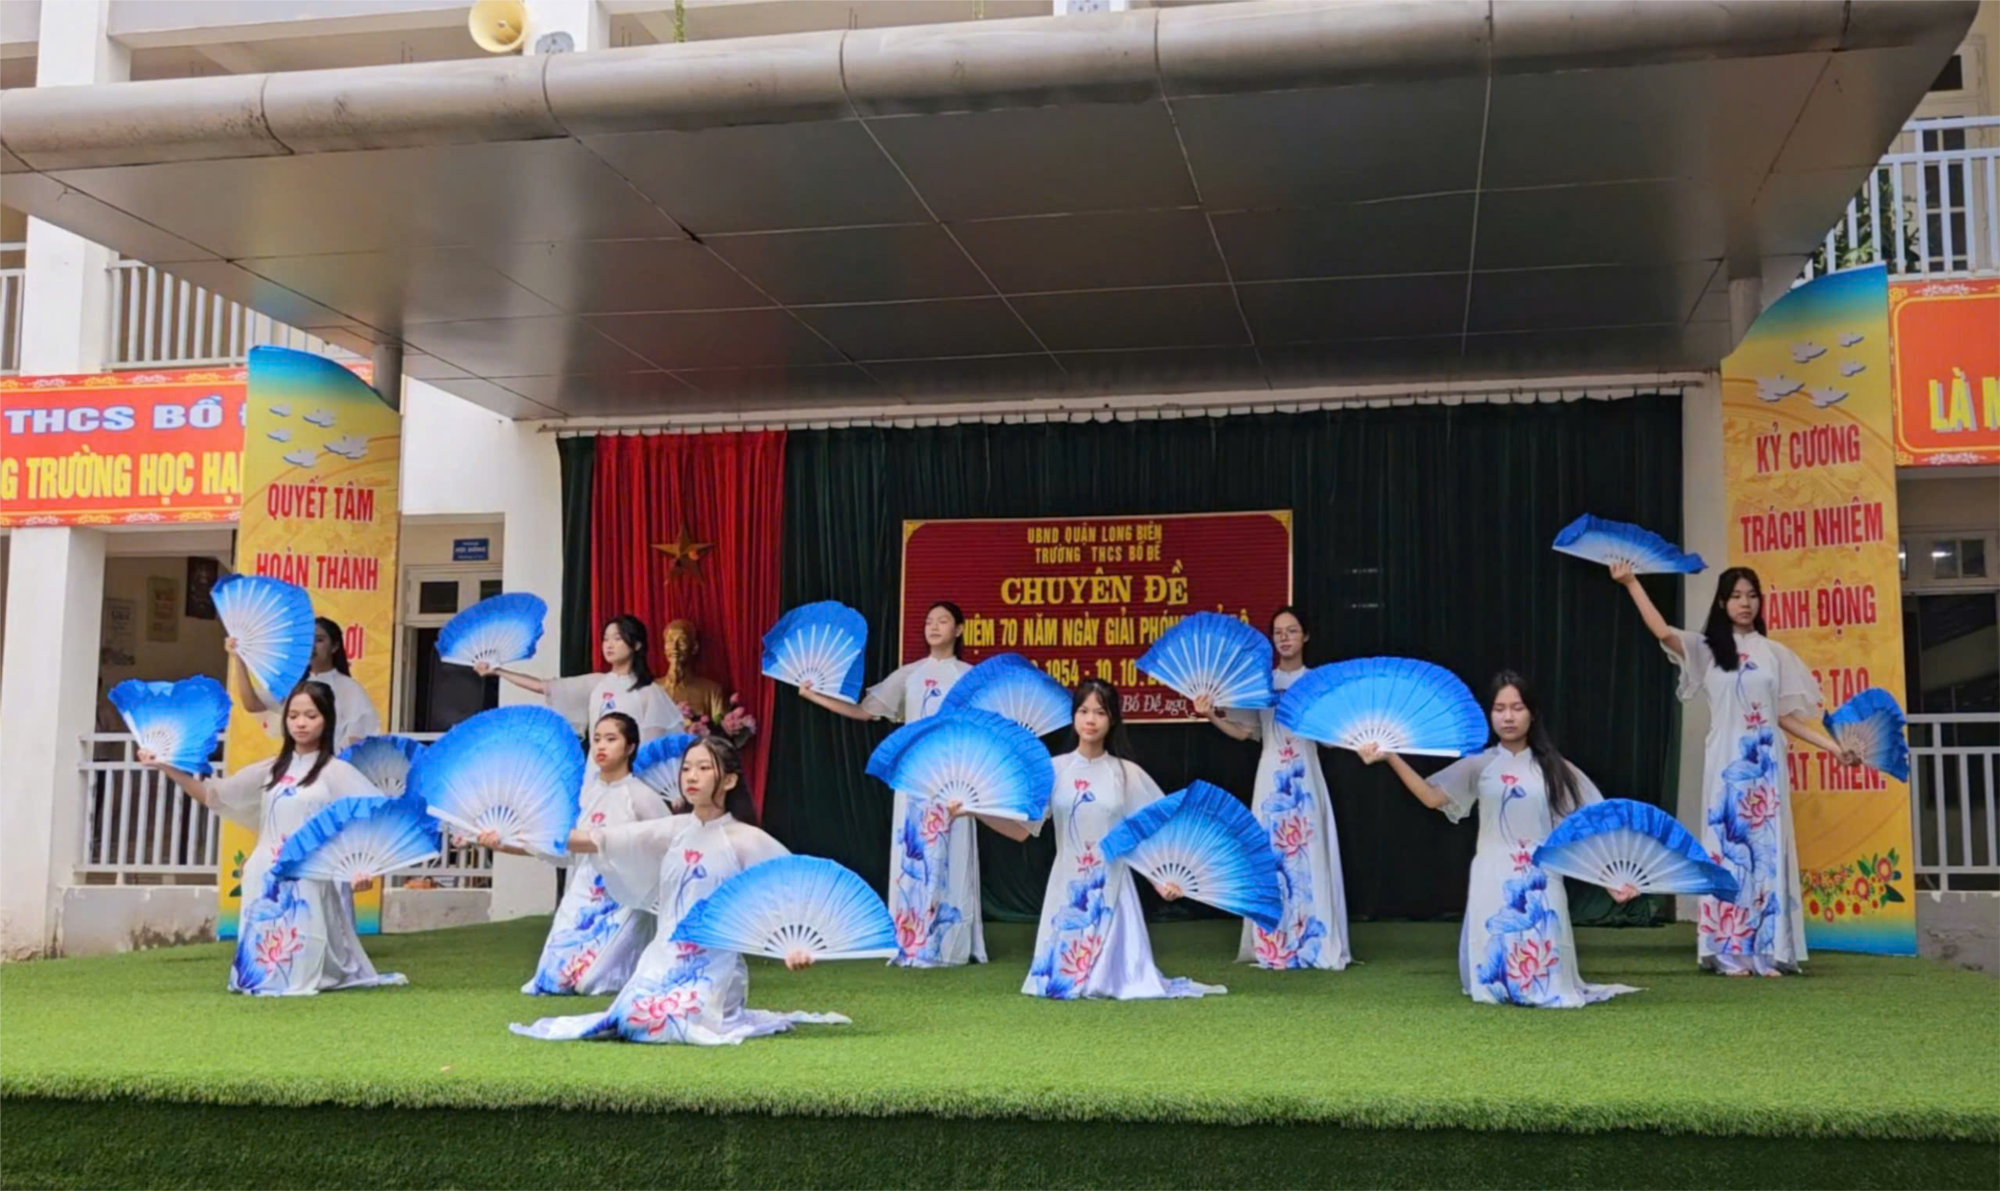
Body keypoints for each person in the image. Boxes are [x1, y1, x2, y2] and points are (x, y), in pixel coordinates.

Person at [510, 737, 849, 1045]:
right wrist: (532, 834)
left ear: (729, 781)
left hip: (715, 967)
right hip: (661, 958)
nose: (691, 777)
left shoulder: (747, 839)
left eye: (703, 768)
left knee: (662, 1023)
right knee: (628, 1019)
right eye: (686, 768)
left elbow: (793, 888)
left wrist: (798, 946)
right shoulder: (674, 830)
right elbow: (599, 840)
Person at [1613, 562, 1858, 976]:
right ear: (1722, 603)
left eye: (1752, 595)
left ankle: (1766, 951)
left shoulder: (1775, 654)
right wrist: (1631, 583)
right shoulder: (1706, 649)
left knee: (1766, 852)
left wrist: (1833, 748)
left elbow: (1784, 717)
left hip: (1765, 765)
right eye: (1737, 596)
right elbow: (1662, 632)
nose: (1746, 603)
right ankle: (1727, 952)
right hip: (1726, 761)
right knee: (1727, 847)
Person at [1361, 671, 1637, 1008]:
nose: (1508, 717)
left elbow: (1587, 825)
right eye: (1499, 708)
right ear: (1490, 714)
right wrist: (1391, 756)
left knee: (1545, 964)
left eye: (1517, 708)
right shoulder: (1480, 764)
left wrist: (1608, 879)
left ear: (1532, 714)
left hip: (1541, 874)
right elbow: (1431, 797)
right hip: (1491, 871)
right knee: (1495, 972)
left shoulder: (1554, 768)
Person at [143, 680, 405, 996]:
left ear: (327, 720)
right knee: (264, 946)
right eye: (293, 716)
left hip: (312, 871)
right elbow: (215, 795)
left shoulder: (337, 772)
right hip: (265, 868)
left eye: (311, 715)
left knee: (307, 946)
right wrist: (166, 766)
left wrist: (365, 867)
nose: (301, 723)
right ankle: (260, 977)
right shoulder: (270, 770)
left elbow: (374, 817)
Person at [981, 678, 1226, 1001]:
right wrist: (975, 811)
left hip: (1113, 881)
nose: (1091, 720)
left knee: (1113, 980)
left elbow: (1153, 833)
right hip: (1066, 881)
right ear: (1074, 716)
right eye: (1083, 711)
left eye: (1100, 712)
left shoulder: (1125, 773)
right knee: (1055, 980)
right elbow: (1022, 830)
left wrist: (1161, 880)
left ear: (1112, 720)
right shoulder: (1054, 770)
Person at [796, 601, 982, 968]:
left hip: (956, 776)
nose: (934, 627)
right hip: (914, 776)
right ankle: (911, 939)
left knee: (955, 849)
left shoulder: (970, 677)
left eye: (943, 621)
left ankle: (951, 944)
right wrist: (813, 695)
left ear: (959, 629)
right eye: (929, 621)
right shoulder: (910, 674)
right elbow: (864, 712)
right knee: (914, 853)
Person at [1197, 606, 1351, 970]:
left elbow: (1330, 738)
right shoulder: (1260, 683)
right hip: (1269, 776)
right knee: (1270, 854)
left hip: (1306, 776)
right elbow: (1245, 732)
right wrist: (1210, 714)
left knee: (1310, 853)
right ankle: (1273, 944)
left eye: (1292, 630)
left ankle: (1314, 941)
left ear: (1305, 636)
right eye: (1278, 632)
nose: (1284, 637)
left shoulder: (1318, 682)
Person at [475, 712, 671, 995]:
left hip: (626, 897)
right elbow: (558, 846)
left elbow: (667, 842)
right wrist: (502, 843)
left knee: (591, 981)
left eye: (611, 739)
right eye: (597, 739)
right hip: (583, 888)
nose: (601, 746)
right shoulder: (582, 795)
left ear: (630, 747)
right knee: (553, 980)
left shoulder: (641, 796)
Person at [480, 614, 683, 743]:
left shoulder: (648, 691)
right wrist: (498, 671)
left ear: (637, 645)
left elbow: (656, 746)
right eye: (605, 639)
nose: (609, 645)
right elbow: (543, 686)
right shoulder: (597, 683)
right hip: (597, 775)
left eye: (617, 638)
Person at [233, 616, 381, 752]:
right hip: (297, 762)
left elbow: (359, 737)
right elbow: (252, 704)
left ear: (334, 646)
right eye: (307, 640)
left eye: (319, 640)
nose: (311, 646)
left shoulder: (350, 689)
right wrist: (239, 659)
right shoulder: (293, 684)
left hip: (333, 764)